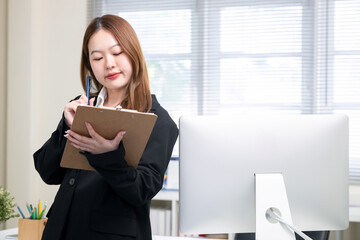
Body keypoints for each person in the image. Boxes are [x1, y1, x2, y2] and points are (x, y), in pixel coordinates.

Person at [34, 14, 178, 240]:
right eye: (98, 57)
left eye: (117, 52)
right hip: (61, 230)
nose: (109, 64)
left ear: (133, 54)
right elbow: (47, 171)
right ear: (89, 63)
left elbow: (142, 190)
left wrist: (108, 155)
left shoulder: (157, 120)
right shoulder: (83, 106)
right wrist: (67, 126)